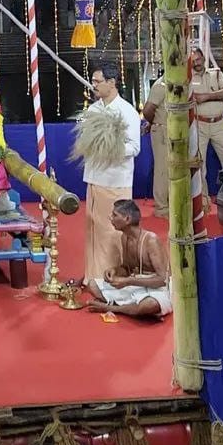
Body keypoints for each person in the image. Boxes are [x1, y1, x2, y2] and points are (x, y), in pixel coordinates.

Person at [82, 64, 142, 283]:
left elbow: (134, 147)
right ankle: (92, 276)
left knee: (113, 231)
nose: (94, 85)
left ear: (112, 82)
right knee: (94, 230)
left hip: (115, 180)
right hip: (94, 178)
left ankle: (114, 277)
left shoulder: (127, 111)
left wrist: (110, 148)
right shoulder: (92, 110)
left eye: (97, 81)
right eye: (93, 81)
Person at [84, 199, 171, 318]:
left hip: (157, 289)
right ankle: (131, 308)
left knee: (150, 304)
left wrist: (127, 281)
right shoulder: (124, 237)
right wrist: (115, 270)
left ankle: (112, 308)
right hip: (135, 286)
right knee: (92, 285)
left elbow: (163, 280)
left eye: (115, 215)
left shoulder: (151, 240)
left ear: (127, 219)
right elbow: (127, 268)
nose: (111, 218)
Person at [190, 47, 223, 179]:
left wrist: (206, 96)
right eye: (193, 61)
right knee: (199, 167)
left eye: (198, 59)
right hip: (199, 125)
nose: (196, 63)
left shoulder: (215, 73)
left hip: (219, 124)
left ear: (204, 58)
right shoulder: (188, 78)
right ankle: (202, 193)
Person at [142, 74, 168, 218]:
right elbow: (147, 111)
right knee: (162, 170)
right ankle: (162, 208)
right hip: (162, 130)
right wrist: (157, 122)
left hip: (177, 131)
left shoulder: (181, 83)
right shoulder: (160, 85)